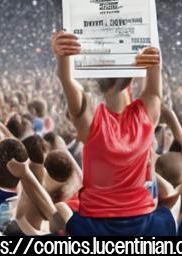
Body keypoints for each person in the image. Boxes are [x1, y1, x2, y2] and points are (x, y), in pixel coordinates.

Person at [22, 31, 172, 235]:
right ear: (129, 83)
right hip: (144, 224)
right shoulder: (146, 117)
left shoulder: (92, 123)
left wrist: (62, 56)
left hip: (95, 226)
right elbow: (154, 89)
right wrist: (151, 59)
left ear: (96, 81)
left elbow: (66, 78)